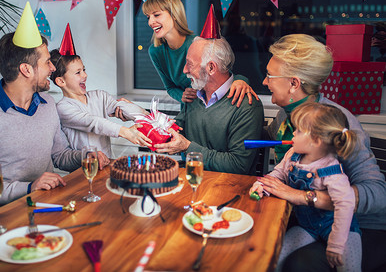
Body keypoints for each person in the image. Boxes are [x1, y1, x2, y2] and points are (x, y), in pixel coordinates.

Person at [258, 34, 386, 272]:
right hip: (307, 221)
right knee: (261, 245)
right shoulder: (285, 116)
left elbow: (378, 193)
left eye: (270, 76)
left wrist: (305, 197)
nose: (265, 82)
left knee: (298, 265)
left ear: (294, 83)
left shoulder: (337, 122)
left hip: (353, 226)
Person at [0, 3, 81, 205]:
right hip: (3, 214)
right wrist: (29, 187)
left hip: (44, 204)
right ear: (26, 70)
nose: (52, 68)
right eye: (47, 62)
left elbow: (59, 155)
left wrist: (86, 157)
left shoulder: (47, 104)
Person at [251, 103, 362, 271]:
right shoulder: (292, 155)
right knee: (275, 257)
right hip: (306, 226)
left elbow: (345, 204)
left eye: (299, 131)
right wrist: (261, 185)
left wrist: (336, 244)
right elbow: (277, 174)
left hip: (339, 229)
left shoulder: (331, 170)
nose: (293, 133)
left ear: (316, 141)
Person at [154, 37, 264, 174]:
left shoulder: (246, 105)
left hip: (228, 187)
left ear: (211, 67)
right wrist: (144, 119)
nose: (184, 70)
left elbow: (238, 165)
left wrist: (188, 147)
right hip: (192, 178)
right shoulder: (194, 95)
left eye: (189, 64)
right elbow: (177, 129)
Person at [142, 0, 259, 106]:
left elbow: (227, 72)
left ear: (174, 15)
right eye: (148, 17)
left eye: (156, 15)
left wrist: (240, 80)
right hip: (189, 110)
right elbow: (170, 87)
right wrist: (182, 96)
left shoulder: (197, 45)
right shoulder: (155, 52)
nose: (150, 22)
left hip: (214, 106)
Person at [50, 49, 152, 165]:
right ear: (61, 81)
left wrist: (144, 115)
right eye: (78, 72)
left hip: (107, 166)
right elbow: (93, 122)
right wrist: (125, 132)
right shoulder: (63, 108)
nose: (85, 75)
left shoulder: (99, 96)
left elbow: (120, 106)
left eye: (84, 69)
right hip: (82, 172)